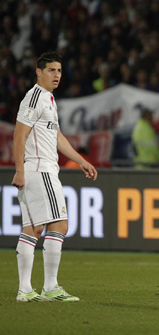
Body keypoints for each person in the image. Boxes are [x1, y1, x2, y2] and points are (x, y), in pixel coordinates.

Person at [11, 52, 98, 302]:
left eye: (59, 70)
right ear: (38, 72)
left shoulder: (48, 98)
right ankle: (51, 287)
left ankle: (25, 290)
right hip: (40, 168)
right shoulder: (35, 97)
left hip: (37, 169)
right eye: (51, 70)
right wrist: (19, 169)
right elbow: (19, 135)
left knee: (33, 229)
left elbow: (57, 136)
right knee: (59, 224)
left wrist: (81, 160)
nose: (57, 75)